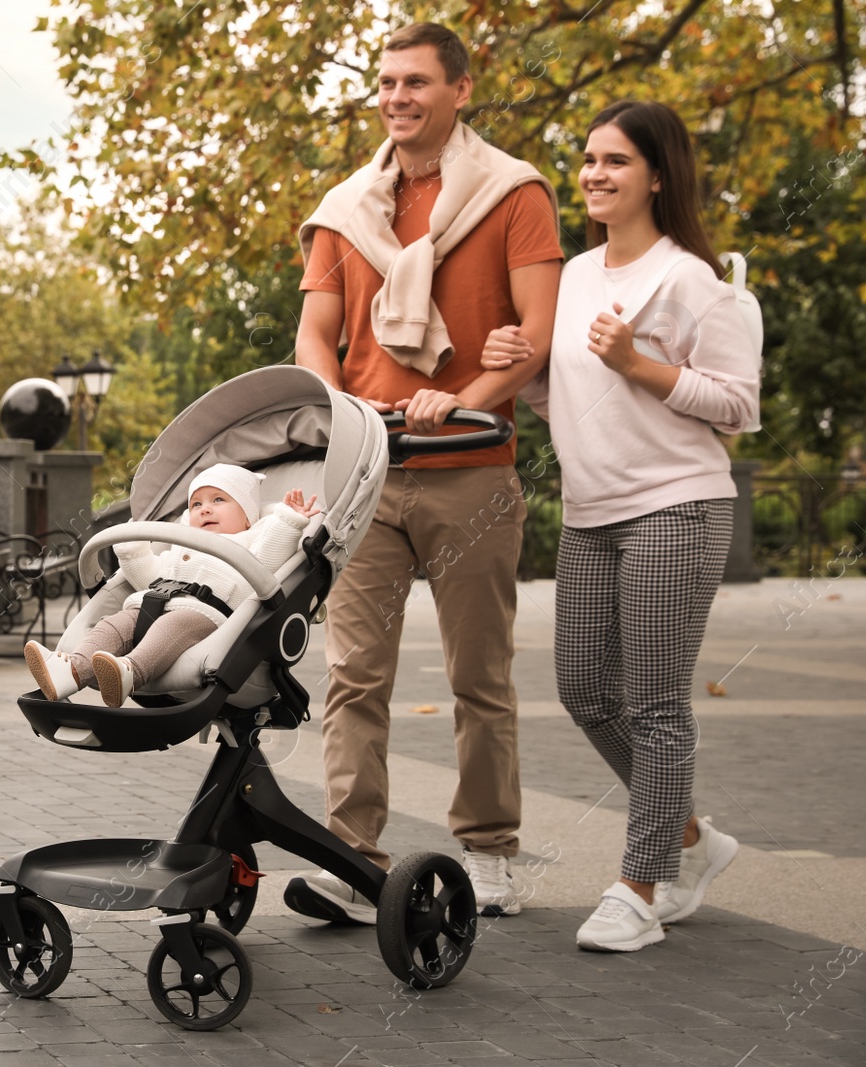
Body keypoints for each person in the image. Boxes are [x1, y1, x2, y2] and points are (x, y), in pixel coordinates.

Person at [289, 21, 563, 923]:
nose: (396, 98)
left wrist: (468, 396)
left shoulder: (514, 195)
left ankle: (490, 851)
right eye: (386, 82)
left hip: (470, 473)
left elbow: (537, 334)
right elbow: (316, 336)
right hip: (367, 474)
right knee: (353, 677)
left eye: (415, 82)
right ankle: (354, 858)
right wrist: (342, 414)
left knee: (478, 679)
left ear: (459, 90)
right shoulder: (346, 210)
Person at [494, 100, 757, 950]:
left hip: (676, 504)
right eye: (588, 159)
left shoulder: (688, 280)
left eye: (615, 160)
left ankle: (641, 888)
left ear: (656, 175)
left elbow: (737, 405)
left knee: (652, 704)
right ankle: (689, 837)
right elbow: (568, 391)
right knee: (585, 690)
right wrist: (520, 372)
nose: (595, 174)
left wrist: (637, 362)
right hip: (592, 511)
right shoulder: (571, 276)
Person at [26, 464, 319, 707]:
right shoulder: (182, 544)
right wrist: (133, 550)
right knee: (112, 625)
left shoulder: (254, 537)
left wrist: (288, 521)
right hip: (153, 601)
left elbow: (268, 560)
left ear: (247, 514)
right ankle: (71, 670)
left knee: (171, 628)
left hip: (205, 615)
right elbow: (148, 578)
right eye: (196, 504)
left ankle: (131, 671)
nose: (205, 510)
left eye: (219, 500)